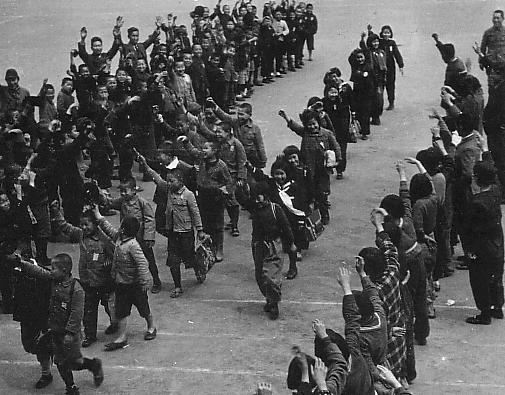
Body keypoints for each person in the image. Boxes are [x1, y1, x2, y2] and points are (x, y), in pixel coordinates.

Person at [13, 253, 104, 395]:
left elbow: (76, 313)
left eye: (54, 268)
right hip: (55, 331)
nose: (51, 271)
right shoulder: (53, 279)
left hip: (70, 335)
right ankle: (71, 388)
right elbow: (39, 271)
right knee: (60, 362)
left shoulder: (76, 289)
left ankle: (93, 365)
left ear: (65, 270)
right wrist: (22, 263)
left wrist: (70, 333)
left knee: (75, 362)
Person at [138, 155, 207, 298]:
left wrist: (199, 230)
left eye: (172, 181)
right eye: (168, 181)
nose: (169, 183)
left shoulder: (189, 195)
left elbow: (195, 213)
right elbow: (155, 176)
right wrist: (144, 164)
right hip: (173, 233)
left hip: (186, 233)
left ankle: (198, 268)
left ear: (180, 181)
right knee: (173, 261)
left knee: (189, 258)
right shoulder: (168, 189)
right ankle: (178, 286)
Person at [50, 203, 117, 347]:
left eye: (87, 224)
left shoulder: (104, 239)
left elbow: (115, 253)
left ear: (95, 224)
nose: (84, 228)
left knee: (109, 306)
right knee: (89, 310)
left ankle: (115, 323)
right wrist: (56, 212)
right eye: (82, 225)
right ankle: (90, 335)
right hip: (88, 282)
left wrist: (109, 262)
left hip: (104, 281)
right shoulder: (80, 235)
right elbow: (65, 227)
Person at [93, 208, 157, 351]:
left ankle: (151, 326)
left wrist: (145, 281)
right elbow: (108, 228)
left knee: (143, 308)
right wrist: (97, 214)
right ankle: (122, 336)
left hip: (135, 285)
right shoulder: (120, 238)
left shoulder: (133, 245)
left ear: (124, 229)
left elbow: (142, 263)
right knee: (121, 311)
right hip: (121, 284)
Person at [239, 182, 296, 320]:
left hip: (273, 246)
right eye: (255, 199)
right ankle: (270, 299)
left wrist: (291, 243)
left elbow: (287, 228)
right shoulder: (255, 208)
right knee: (260, 277)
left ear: (265, 196)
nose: (257, 201)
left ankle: (274, 303)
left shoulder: (276, 209)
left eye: (259, 198)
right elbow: (242, 200)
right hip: (258, 245)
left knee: (271, 277)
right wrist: (239, 189)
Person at [279, 108, 341, 225]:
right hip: (308, 170)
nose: (312, 127)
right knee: (309, 193)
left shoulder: (327, 134)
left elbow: (336, 146)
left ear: (318, 123)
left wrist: (338, 160)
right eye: (309, 125)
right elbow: (295, 127)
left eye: (314, 124)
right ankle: (310, 215)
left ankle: (324, 214)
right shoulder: (305, 133)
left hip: (322, 170)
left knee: (322, 194)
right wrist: (286, 118)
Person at [463, 160, 504, 324]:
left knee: (480, 280)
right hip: (497, 243)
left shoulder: (477, 203)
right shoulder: (495, 191)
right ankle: (497, 307)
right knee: (496, 277)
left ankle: (485, 312)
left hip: (482, 248)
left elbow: (471, 230)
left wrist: (470, 251)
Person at [104, 176, 162, 293]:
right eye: (121, 191)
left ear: (134, 190)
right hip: (127, 237)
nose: (123, 194)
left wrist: (149, 237)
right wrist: (103, 197)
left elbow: (150, 220)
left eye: (126, 191)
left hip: (141, 238)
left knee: (148, 260)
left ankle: (156, 281)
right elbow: (111, 203)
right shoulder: (122, 201)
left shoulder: (142, 203)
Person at [348, 48, 374, 139]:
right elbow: (350, 59)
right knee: (358, 111)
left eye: (361, 57)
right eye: (358, 58)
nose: (360, 59)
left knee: (365, 113)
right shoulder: (355, 66)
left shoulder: (369, 66)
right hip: (357, 92)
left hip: (367, 93)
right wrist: (355, 51)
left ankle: (364, 132)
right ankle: (360, 128)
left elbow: (373, 80)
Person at [479, 10, 505, 94]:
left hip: (503, 66)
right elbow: (482, 48)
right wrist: (481, 62)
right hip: (492, 67)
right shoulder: (488, 33)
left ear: (503, 19)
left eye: (498, 18)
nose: (495, 20)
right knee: (493, 91)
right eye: (494, 18)